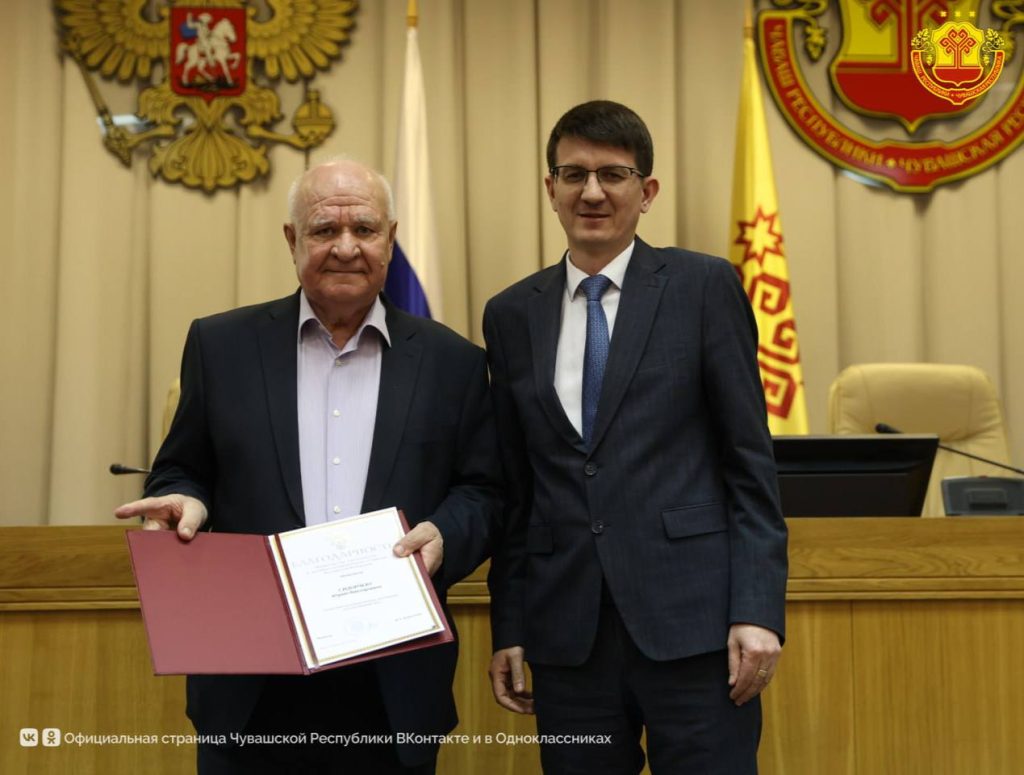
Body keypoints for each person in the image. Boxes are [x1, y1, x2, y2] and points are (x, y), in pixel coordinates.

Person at [116, 159, 501, 774]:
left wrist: (446, 534)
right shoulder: (221, 346)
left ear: (390, 239)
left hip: (392, 678)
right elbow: (182, 469)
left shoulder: (453, 362)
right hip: (250, 678)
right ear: (292, 239)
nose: (346, 248)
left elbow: (483, 490)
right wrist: (186, 499)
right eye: (324, 230)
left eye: (364, 229)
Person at [483, 101, 787, 774]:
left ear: (646, 191)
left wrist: (758, 610)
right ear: (550, 189)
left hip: (697, 631)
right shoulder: (510, 314)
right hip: (568, 640)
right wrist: (511, 624)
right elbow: (516, 489)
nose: (591, 192)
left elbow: (749, 464)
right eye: (574, 174)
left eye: (613, 175)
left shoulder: (703, 287)